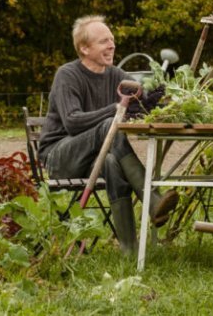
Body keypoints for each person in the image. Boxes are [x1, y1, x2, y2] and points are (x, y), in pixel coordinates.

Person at [38, 15, 178, 254]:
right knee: (107, 125)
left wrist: (157, 100)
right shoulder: (67, 75)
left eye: (112, 40)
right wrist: (115, 110)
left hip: (94, 159)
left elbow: (141, 104)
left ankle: (129, 250)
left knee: (113, 162)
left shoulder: (116, 75)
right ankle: (152, 200)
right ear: (84, 48)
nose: (112, 45)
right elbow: (72, 122)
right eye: (104, 41)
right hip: (60, 158)